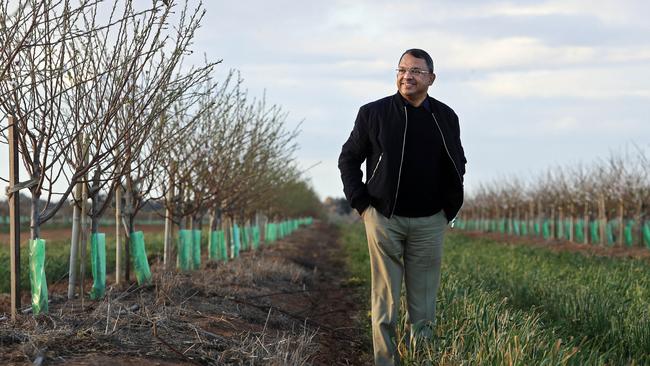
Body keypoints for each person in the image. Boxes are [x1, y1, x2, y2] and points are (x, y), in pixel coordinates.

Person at [338, 48, 466, 365]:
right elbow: (349, 158)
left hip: (430, 222)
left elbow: (457, 163)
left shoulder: (445, 117)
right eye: (402, 69)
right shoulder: (373, 113)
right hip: (384, 218)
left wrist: (448, 210)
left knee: (423, 306)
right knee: (386, 302)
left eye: (416, 71)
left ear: (431, 79)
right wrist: (362, 205)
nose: (407, 76)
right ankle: (386, 362)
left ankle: (420, 359)